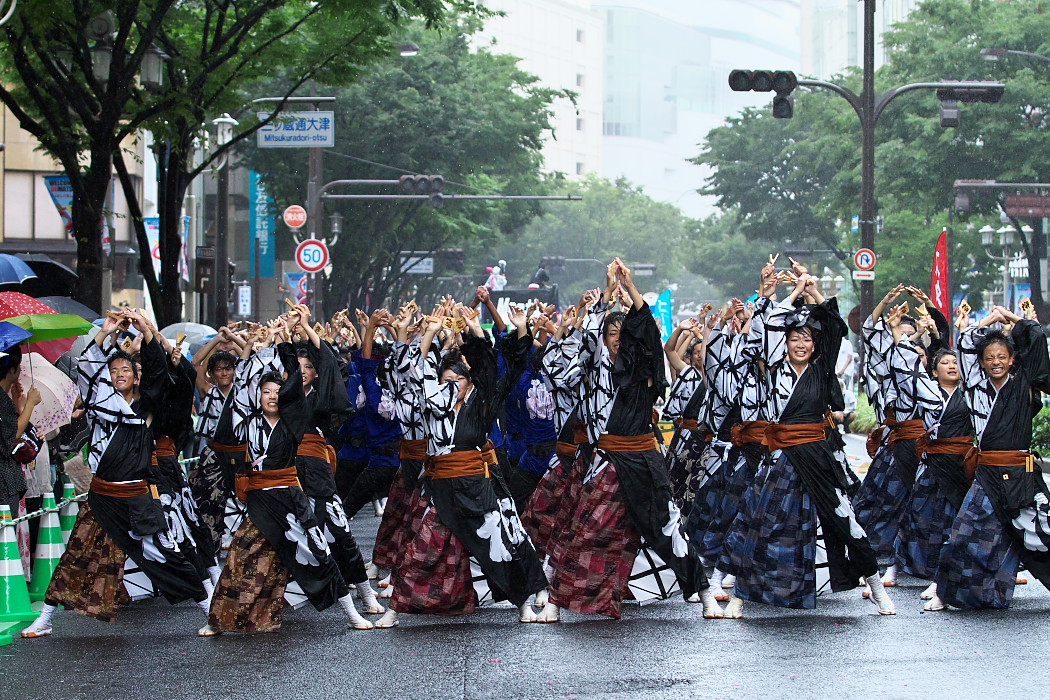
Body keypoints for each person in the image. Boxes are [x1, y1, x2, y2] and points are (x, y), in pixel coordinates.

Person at [720, 259, 895, 618]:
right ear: (784, 343)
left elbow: (834, 328)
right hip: (780, 455)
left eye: (807, 338)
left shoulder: (821, 367)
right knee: (761, 522)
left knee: (844, 519)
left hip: (817, 453)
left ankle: (875, 586)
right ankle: (740, 593)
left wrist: (813, 289)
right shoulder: (772, 367)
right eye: (794, 338)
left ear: (815, 345)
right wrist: (793, 292)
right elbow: (768, 326)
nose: (801, 344)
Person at [544, 259, 715, 622]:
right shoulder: (590, 368)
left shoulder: (643, 371)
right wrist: (607, 293)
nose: (618, 338)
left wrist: (631, 286)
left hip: (643, 460)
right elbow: (574, 353)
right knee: (588, 528)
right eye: (611, 333)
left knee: (666, 529)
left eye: (624, 333)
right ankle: (557, 602)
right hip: (606, 461)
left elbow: (651, 338)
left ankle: (704, 592)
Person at [23, 310, 211, 638]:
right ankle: (45, 619)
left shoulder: (146, 409)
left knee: (165, 553)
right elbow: (87, 366)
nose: (120, 373)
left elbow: (158, 373)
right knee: (77, 552)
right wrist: (107, 331)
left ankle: (209, 608)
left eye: (126, 369)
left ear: (136, 377)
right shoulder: (100, 402)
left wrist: (147, 332)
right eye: (114, 370)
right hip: (103, 494)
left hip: (137, 493)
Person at [377, 302, 547, 628]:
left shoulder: (481, 406)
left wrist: (483, 329)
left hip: (476, 484)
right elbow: (412, 373)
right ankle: (394, 610)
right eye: (446, 380)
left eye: (458, 379)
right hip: (439, 487)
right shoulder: (433, 406)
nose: (452, 385)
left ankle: (524, 604)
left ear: (469, 382)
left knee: (500, 543)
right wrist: (427, 333)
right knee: (421, 547)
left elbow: (501, 368)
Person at [205, 310, 374, 635]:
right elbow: (242, 386)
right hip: (261, 500)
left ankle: (355, 609)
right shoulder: (249, 421)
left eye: (276, 391)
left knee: (324, 549)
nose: (271, 396)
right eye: (265, 392)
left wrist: (294, 338)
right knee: (241, 554)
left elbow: (311, 377)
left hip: (298, 492)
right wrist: (258, 344)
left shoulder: (294, 419)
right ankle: (218, 619)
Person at [932, 304, 1050, 610]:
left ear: (1012, 360)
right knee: (963, 536)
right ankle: (952, 594)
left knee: (1037, 535)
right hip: (986, 473)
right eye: (989, 358)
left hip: (1021, 473)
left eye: (1002, 357)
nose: (996, 362)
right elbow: (966, 340)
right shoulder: (974, 388)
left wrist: (1014, 319)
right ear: (981, 363)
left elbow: (1036, 337)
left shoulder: (1023, 383)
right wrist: (991, 320)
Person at [0, 346, 39, 519]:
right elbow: (11, 435)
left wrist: (18, 404)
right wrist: (30, 403)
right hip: (4, 480)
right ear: (12, 369)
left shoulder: (3, 397)